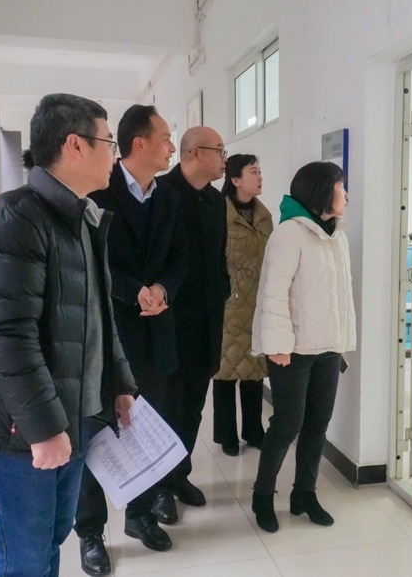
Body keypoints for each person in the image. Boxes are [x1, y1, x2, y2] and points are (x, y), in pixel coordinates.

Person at [0, 93, 137, 577]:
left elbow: (96, 314)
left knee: (51, 539)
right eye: (109, 142)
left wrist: (120, 382)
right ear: (75, 145)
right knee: (22, 557)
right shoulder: (15, 218)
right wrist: (43, 428)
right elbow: (6, 336)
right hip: (22, 426)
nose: (115, 155)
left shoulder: (81, 217)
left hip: (72, 411)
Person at [78, 104, 187, 573]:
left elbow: (180, 257)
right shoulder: (98, 192)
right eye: (165, 137)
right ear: (139, 143)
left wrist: (163, 288)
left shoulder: (169, 198)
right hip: (108, 332)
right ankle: (90, 531)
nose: (171, 146)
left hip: (156, 329)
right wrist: (132, 290)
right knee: (96, 430)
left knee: (146, 425)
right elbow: (91, 263)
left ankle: (139, 514)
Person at [250, 161, 356, 533]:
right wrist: (276, 345)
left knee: (317, 425)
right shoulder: (289, 234)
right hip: (292, 351)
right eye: (341, 187)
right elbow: (273, 294)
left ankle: (304, 494)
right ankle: (263, 496)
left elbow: (341, 297)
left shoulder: (338, 236)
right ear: (321, 191)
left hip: (327, 348)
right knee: (286, 425)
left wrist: (342, 342)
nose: (346, 195)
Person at [155, 126, 230, 520]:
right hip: (170, 325)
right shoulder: (161, 194)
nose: (224, 158)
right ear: (195, 152)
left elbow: (219, 257)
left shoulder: (216, 200)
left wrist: (223, 290)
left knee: (194, 408)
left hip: (207, 323)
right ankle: (159, 488)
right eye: (220, 150)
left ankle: (179, 474)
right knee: (166, 409)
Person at [212, 154, 272, 457]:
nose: (260, 177)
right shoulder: (218, 213)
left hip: (258, 304)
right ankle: (227, 435)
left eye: (260, 171)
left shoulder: (264, 216)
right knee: (225, 372)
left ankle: (253, 430)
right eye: (253, 172)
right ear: (235, 179)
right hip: (229, 304)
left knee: (254, 370)